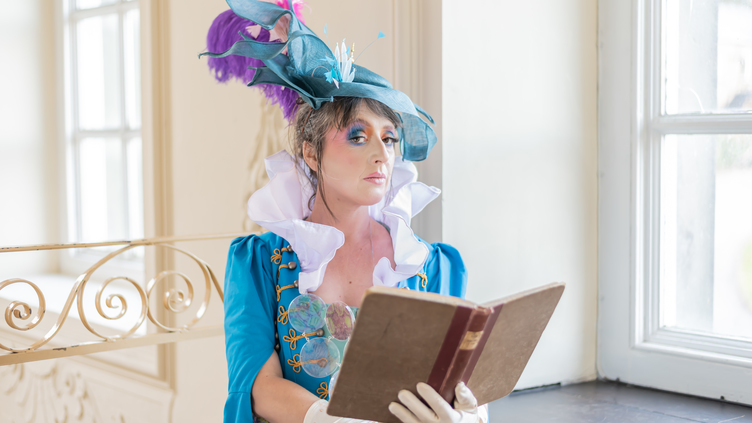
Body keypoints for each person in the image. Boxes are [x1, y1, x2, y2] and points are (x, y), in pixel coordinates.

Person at [202, 1, 490, 422]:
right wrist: (326, 418)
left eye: (390, 139)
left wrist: (471, 412)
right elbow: (257, 389)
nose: (381, 155)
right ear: (310, 154)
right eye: (358, 136)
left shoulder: (434, 266)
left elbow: (458, 380)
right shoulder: (260, 264)